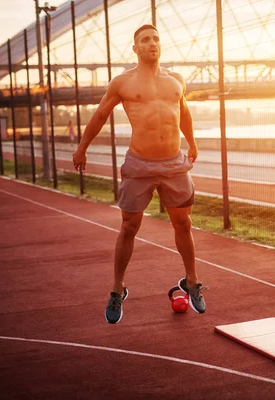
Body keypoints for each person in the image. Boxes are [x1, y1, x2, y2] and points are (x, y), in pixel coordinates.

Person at [72, 24, 205, 324]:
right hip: (139, 165)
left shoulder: (176, 80)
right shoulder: (123, 82)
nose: (152, 43)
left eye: (156, 38)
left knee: (183, 223)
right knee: (129, 227)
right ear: (135, 48)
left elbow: (183, 113)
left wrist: (193, 144)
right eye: (145, 40)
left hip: (174, 164)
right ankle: (118, 289)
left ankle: (192, 280)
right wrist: (82, 148)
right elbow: (101, 114)